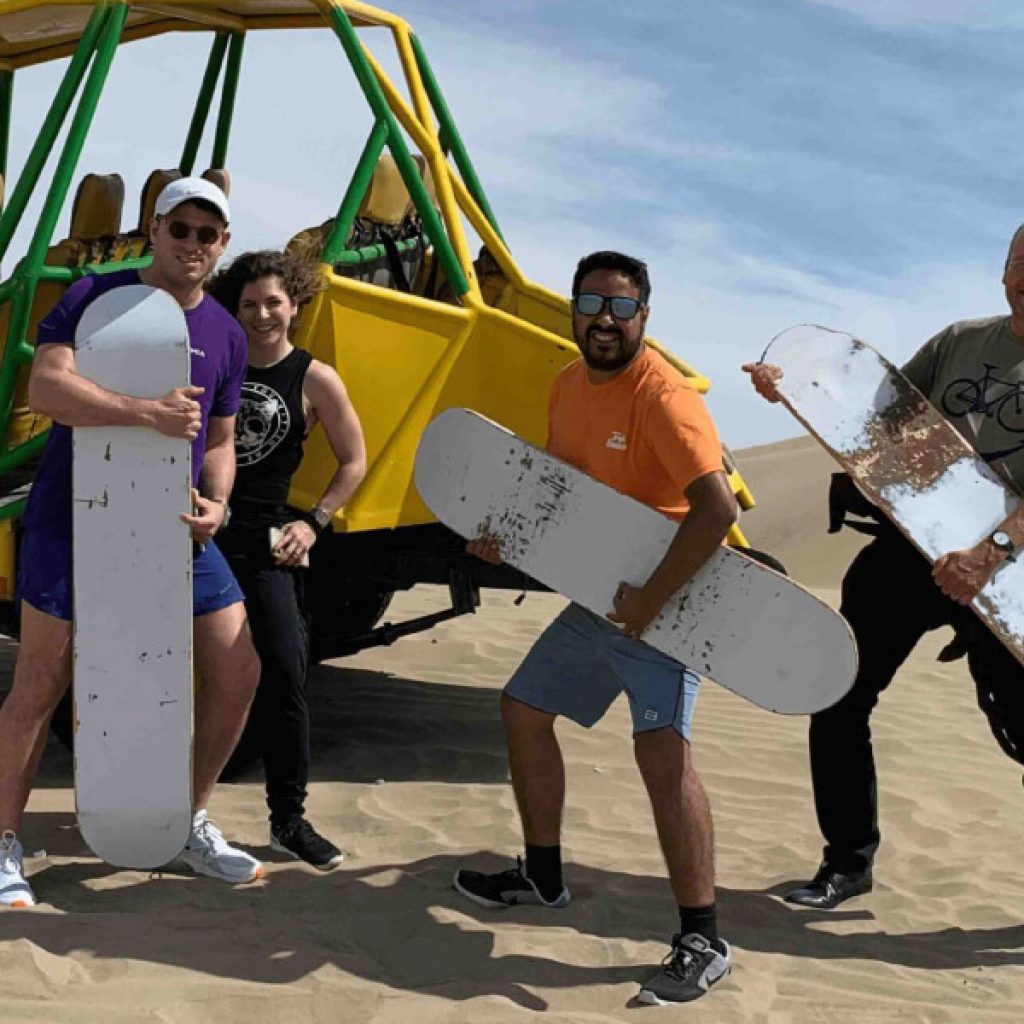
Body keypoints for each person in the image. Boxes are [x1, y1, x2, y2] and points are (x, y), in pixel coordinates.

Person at [453, 251, 737, 1006]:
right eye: (590, 304)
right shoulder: (568, 385)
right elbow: (560, 482)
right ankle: (542, 877)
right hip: (601, 597)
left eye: (620, 307)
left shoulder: (664, 398)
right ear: (574, 310)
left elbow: (718, 512)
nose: (603, 320)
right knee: (523, 709)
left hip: (670, 602)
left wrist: (651, 603)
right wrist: (504, 532)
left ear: (644, 317)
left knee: (661, 755)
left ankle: (703, 936)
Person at [742, 225, 1024, 910]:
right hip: (913, 547)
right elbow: (877, 416)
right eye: (1021, 261)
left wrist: (991, 554)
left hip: (1013, 570)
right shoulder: (962, 340)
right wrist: (799, 393)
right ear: (1003, 270)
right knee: (838, 693)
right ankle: (846, 864)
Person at [0, 177, 263, 909]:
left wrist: (219, 502)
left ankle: (184, 820)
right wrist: (144, 415)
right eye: (181, 229)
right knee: (41, 682)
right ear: (156, 229)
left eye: (208, 235)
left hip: (173, 523)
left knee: (237, 669)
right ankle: (2, 846)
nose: (193, 245)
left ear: (223, 246)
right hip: (72, 515)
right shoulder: (93, 296)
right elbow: (48, 390)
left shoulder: (227, 332)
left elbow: (221, 439)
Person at [206, 250, 366, 871]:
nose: (262, 314)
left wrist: (315, 522)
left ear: (295, 304)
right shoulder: (221, 362)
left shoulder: (315, 378)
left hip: (267, 544)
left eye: (273, 302)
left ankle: (288, 819)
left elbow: (354, 460)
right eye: (249, 305)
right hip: (204, 533)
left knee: (284, 676)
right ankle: (170, 806)